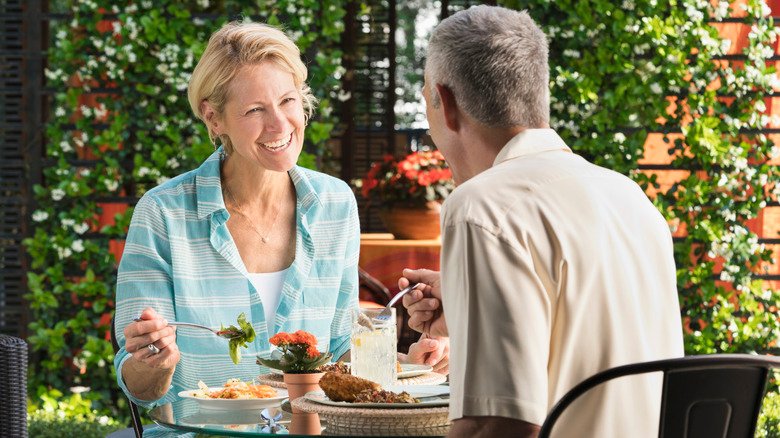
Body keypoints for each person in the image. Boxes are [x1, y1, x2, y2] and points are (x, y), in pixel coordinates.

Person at [113, 21, 447, 427]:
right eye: (255, 110)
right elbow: (140, 388)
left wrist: (407, 365)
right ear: (214, 118)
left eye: (287, 101)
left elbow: (340, 351)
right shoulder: (163, 214)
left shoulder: (334, 204)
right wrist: (155, 362)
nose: (279, 124)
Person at [399, 6, 684, 438]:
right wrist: (465, 306)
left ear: (447, 103)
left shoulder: (482, 207)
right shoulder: (631, 198)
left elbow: (496, 424)